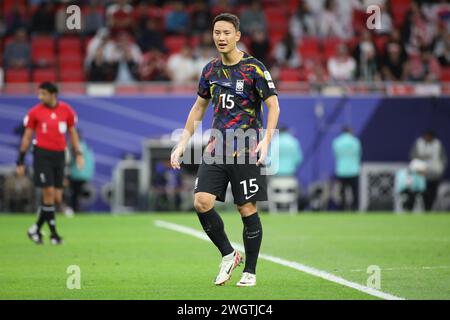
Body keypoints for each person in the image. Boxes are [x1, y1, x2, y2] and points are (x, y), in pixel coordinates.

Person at [170, 13, 280, 287]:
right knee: (201, 202)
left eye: (226, 33)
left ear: (238, 36)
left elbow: (274, 106)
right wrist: (183, 142)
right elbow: (198, 108)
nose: (220, 37)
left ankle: (250, 272)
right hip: (216, 146)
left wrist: (267, 140)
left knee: (246, 208)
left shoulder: (254, 68)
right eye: (217, 32)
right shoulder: (209, 70)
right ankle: (229, 254)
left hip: (246, 147)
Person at [16, 82, 84, 245]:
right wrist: (21, 159)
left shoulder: (66, 111)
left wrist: (79, 153)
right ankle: (54, 235)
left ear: (53, 95)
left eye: (43, 94)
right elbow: (27, 136)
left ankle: (35, 229)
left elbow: (72, 133)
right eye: (39, 94)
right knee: (49, 194)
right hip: (42, 155)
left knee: (57, 197)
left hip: (59, 156)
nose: (40, 97)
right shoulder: (35, 112)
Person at [410, 130, 448, 211]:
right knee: (423, 192)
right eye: (426, 136)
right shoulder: (418, 143)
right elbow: (413, 156)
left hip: (435, 174)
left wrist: (441, 170)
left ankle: (429, 208)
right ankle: (424, 208)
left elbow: (444, 159)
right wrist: (418, 167)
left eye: (429, 136)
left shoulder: (438, 144)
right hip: (421, 174)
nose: (427, 137)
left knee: (433, 193)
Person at [332, 126, 362, 211]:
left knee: (342, 192)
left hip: (341, 170)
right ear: (350, 131)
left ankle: (342, 208)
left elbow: (336, 155)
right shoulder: (355, 141)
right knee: (355, 191)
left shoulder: (337, 142)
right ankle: (355, 208)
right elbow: (359, 155)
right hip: (354, 170)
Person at [68, 132, 95, 213]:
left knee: (74, 194)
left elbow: (70, 160)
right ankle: (76, 210)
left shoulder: (76, 146)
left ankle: (74, 210)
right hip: (86, 175)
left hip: (76, 174)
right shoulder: (86, 146)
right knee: (77, 194)